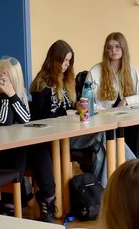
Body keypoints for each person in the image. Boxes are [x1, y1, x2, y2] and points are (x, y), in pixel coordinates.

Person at [29, 40, 130, 187]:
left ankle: (102, 189)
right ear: (54, 60)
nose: (67, 65)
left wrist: (76, 106)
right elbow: (39, 118)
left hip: (71, 130)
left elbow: (68, 107)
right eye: (64, 61)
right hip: (55, 136)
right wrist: (66, 112)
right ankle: (133, 169)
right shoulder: (41, 84)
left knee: (104, 144)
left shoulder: (65, 80)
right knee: (104, 135)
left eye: (69, 61)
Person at [0, 57, 57, 220]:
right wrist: (8, 96)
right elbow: (4, 122)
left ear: (13, 80)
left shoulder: (17, 93)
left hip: (9, 150)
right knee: (20, 148)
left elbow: (25, 119)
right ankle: (9, 205)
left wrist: (12, 95)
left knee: (38, 147)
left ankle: (48, 199)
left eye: (3, 78)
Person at [87, 32, 139, 160]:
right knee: (133, 132)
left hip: (127, 122)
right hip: (104, 123)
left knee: (132, 130)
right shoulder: (95, 72)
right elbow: (87, 101)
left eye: (117, 46)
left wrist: (126, 100)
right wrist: (106, 113)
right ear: (106, 50)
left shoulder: (133, 71)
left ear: (124, 49)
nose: (113, 50)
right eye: (109, 47)